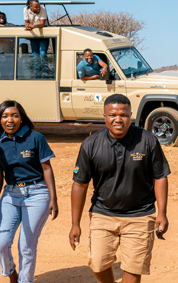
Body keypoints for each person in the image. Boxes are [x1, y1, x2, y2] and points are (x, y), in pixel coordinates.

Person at [69, 94, 171, 283]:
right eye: (112, 115)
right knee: (98, 264)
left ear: (130, 115)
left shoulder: (147, 141)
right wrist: (75, 223)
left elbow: (160, 177)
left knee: (133, 268)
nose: (118, 119)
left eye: (123, 115)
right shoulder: (91, 144)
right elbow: (79, 184)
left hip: (140, 215)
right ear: (105, 116)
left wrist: (162, 213)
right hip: (103, 214)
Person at [0, 100, 58, 283]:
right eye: (5, 116)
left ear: (22, 118)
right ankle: (11, 274)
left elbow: (47, 169)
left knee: (26, 246)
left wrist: (53, 199)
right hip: (10, 194)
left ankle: (25, 281)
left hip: (38, 193)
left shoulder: (35, 138)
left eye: (15, 115)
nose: (10, 120)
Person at [23, 0, 50, 77]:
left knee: (43, 54)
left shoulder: (43, 9)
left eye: (38, 7)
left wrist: (33, 26)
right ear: (30, 6)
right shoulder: (25, 10)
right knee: (35, 55)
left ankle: (45, 72)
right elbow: (26, 22)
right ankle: (36, 74)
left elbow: (42, 23)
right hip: (34, 35)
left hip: (43, 34)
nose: (38, 9)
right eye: (36, 7)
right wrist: (28, 26)